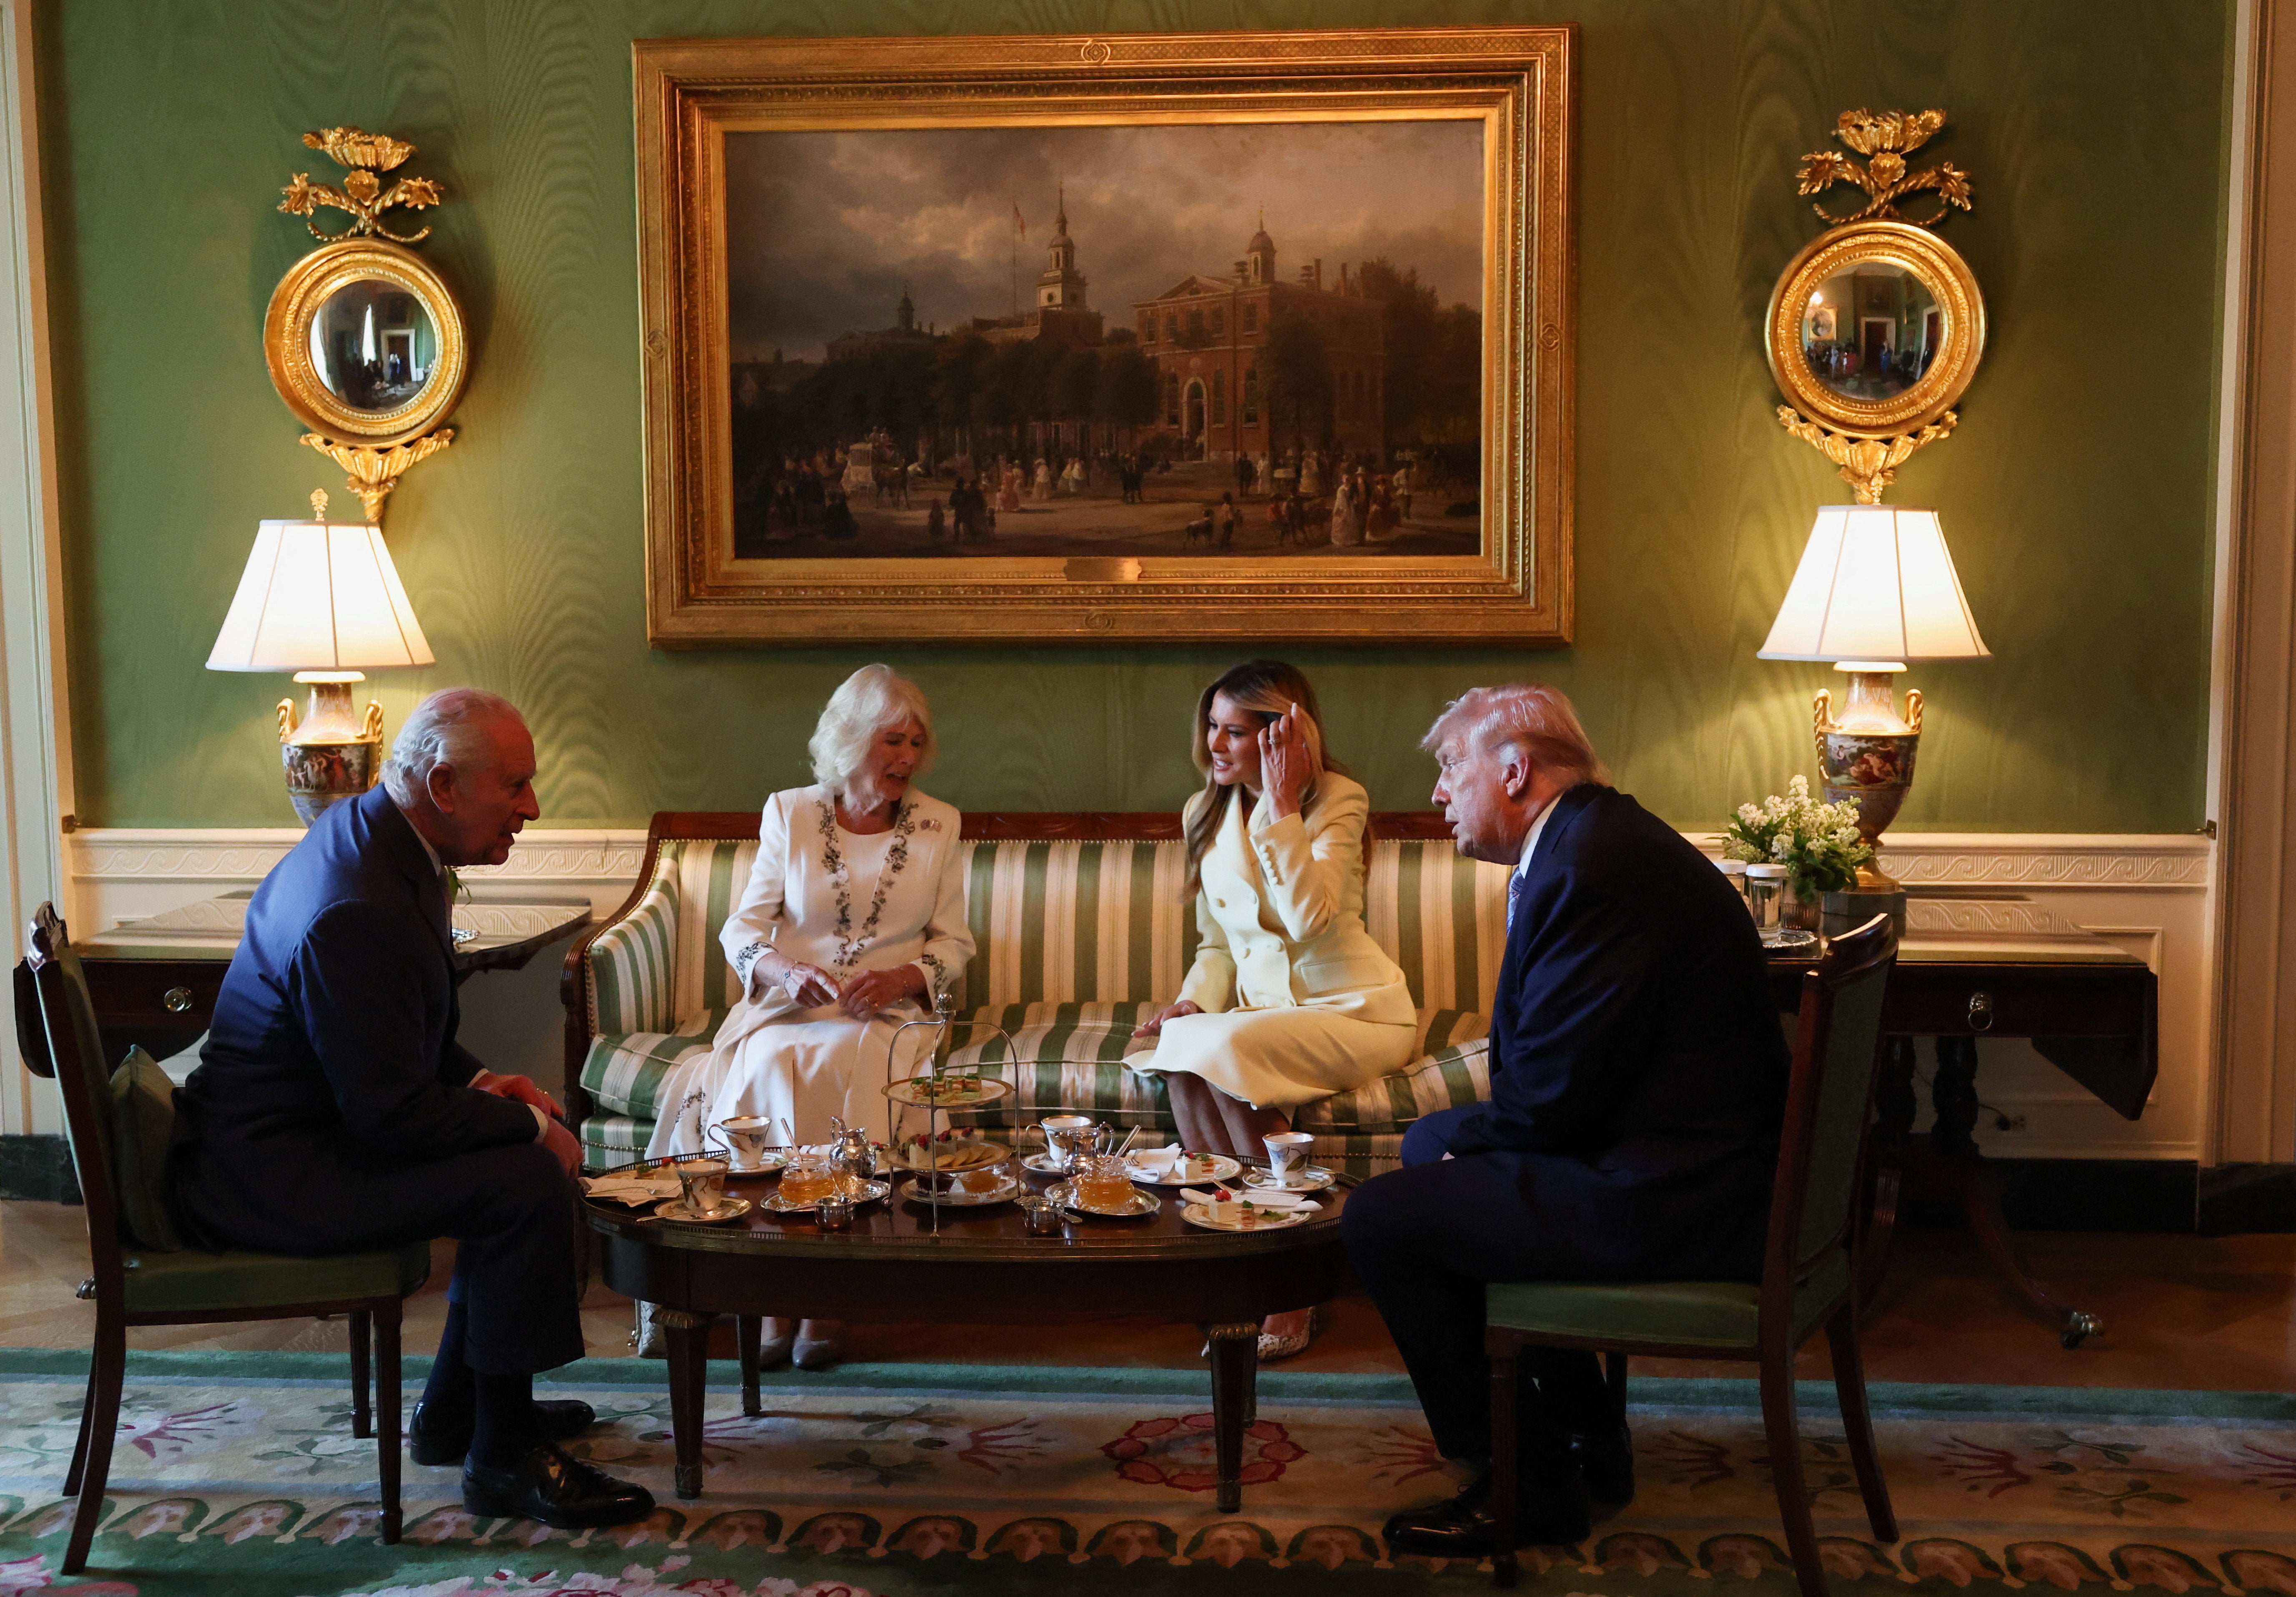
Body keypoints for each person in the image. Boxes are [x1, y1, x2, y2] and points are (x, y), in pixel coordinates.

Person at [170, 690, 653, 1529]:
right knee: (521, 1185)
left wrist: (485, 1086)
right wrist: (531, 1126)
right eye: (516, 785)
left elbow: (397, 1042)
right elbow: (389, 1115)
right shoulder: (360, 900)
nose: (531, 807)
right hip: (273, 1175)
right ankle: (502, 1457)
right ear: (442, 785)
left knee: (511, 1165)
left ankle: (451, 1417)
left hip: (299, 1140)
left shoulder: (377, 842)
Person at [1341, 685, 1789, 1557]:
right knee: (1432, 1146)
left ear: (1513, 772)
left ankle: (1530, 1486)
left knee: (1381, 1220)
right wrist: (1457, 1147)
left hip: (1680, 1194)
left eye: (1447, 768)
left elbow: (1547, 1101)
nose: (1437, 794)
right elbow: (1567, 1075)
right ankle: (1586, 1433)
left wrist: (1457, 1156)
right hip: (1675, 1155)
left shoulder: (1591, 867)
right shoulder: (1592, 841)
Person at [647, 664, 973, 1371]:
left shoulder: (938, 823)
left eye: (917, 741)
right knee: (768, 1062)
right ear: (852, 740)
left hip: (883, 1018)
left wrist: (900, 977)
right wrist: (785, 972)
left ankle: (828, 1295)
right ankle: (771, 1295)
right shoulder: (789, 812)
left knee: (853, 1062)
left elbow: (954, 944)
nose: (908, 757)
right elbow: (742, 930)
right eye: (892, 740)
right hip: (785, 1009)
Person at [1128, 661, 1416, 1359]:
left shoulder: (1340, 799)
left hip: (1356, 1012)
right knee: (1183, 1051)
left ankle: (1289, 1286)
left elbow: (1310, 920)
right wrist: (1194, 1000)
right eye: (1212, 728)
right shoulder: (1204, 810)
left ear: (1282, 735)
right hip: (1261, 1020)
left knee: (1221, 1048)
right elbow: (1217, 943)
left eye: (1234, 731)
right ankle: (1233, 1270)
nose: (1215, 745)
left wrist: (1281, 808)